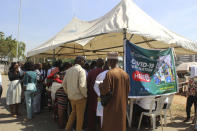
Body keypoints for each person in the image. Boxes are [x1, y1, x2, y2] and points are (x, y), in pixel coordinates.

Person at [99, 52, 130, 131]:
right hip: (122, 106)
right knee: (120, 125)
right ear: (116, 61)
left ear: (109, 61)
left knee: (110, 125)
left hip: (111, 106)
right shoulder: (125, 74)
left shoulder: (110, 73)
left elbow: (106, 90)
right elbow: (128, 90)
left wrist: (100, 85)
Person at [63, 56, 87, 131]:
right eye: (84, 61)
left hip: (71, 98)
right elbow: (82, 86)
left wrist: (68, 93)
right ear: (81, 61)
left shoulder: (69, 70)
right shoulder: (81, 70)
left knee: (73, 114)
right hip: (80, 98)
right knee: (80, 118)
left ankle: (67, 129)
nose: (84, 63)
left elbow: (64, 84)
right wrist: (85, 95)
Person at [87, 58, 104, 131]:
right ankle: (101, 128)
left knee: (91, 115)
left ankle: (91, 128)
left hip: (92, 96)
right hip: (101, 97)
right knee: (100, 114)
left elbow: (87, 84)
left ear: (96, 64)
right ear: (103, 64)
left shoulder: (91, 72)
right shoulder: (105, 72)